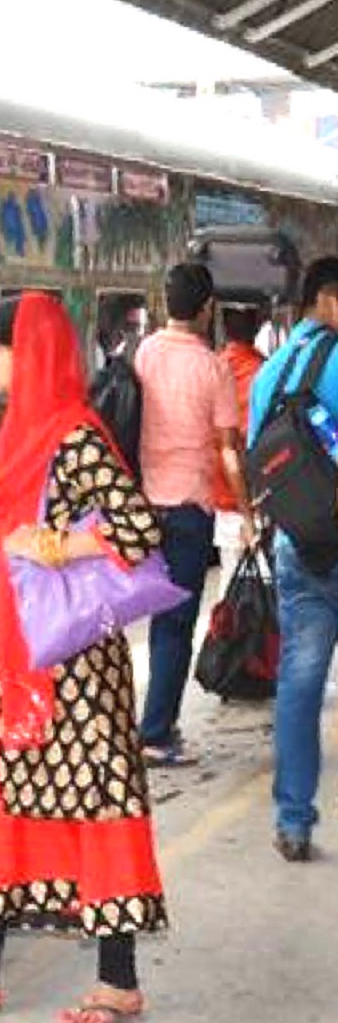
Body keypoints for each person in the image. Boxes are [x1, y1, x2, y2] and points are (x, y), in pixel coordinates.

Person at [0, 292, 166, 1023]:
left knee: (98, 802)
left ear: (30, 353)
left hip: (70, 666)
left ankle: (118, 981)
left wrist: (54, 546)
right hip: (12, 661)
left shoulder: (75, 434)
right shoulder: (30, 432)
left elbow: (138, 531)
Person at [133, 263, 255, 768]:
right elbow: (228, 451)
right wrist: (247, 514)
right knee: (174, 625)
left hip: (143, 507)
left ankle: (159, 722)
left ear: (166, 304)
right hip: (188, 510)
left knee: (158, 621)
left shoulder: (144, 353)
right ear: (207, 309)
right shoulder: (212, 367)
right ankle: (156, 732)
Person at [245, 256, 338, 862]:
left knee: (300, 684)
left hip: (299, 545)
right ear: (330, 299)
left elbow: (257, 461)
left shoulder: (267, 372)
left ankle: (293, 820)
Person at [212, 304, 266, 555]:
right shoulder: (265, 371)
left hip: (220, 493)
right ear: (256, 327)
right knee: (261, 582)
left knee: (230, 578)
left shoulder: (213, 367)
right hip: (256, 495)